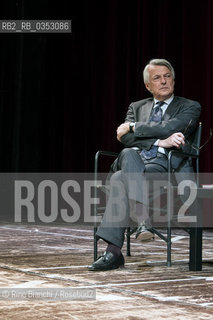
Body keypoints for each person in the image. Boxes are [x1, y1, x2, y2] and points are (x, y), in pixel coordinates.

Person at [88, 58, 201, 271]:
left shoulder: (189, 106)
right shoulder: (136, 106)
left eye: (168, 76)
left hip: (162, 167)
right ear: (148, 85)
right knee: (129, 153)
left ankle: (113, 252)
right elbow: (126, 139)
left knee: (120, 178)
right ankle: (143, 222)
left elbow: (172, 126)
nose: (164, 81)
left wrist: (131, 126)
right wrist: (161, 141)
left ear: (174, 81)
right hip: (135, 160)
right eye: (157, 78)